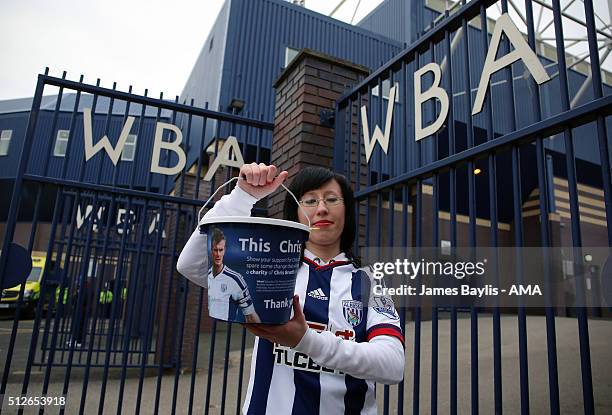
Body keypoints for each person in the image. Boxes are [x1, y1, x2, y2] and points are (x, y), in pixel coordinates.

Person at [177, 163, 405, 414]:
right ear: (295, 213)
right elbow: (192, 265)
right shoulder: (271, 267)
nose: (321, 209)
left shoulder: (368, 281)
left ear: (348, 211)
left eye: (331, 199)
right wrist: (242, 197)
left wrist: (305, 340)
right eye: (309, 200)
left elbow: (393, 365)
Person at [208, 227, 261, 323]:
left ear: (225, 250)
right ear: (211, 250)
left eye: (221, 250)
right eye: (215, 250)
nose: (218, 254)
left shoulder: (235, 279)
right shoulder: (208, 275)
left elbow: (251, 316)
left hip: (230, 328)